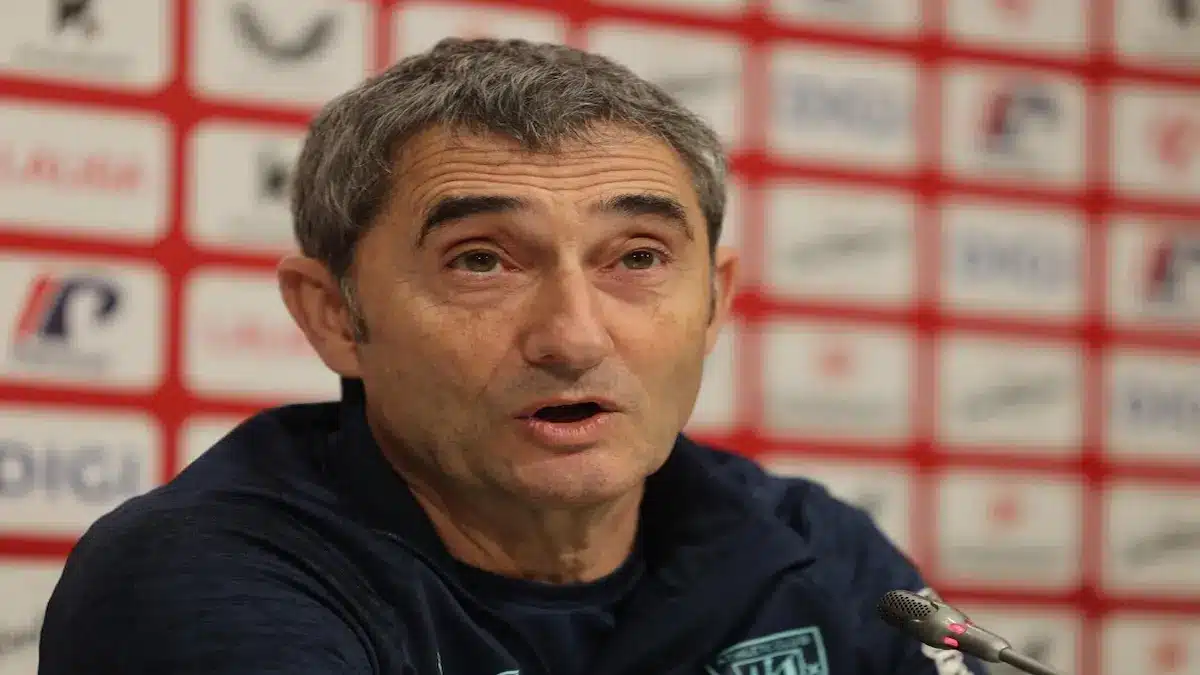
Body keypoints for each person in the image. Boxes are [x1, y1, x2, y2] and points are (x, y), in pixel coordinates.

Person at [39, 38, 983, 675]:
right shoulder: (204, 578)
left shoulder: (813, 553)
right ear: (334, 314)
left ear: (714, 302)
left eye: (638, 258)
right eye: (481, 260)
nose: (573, 335)